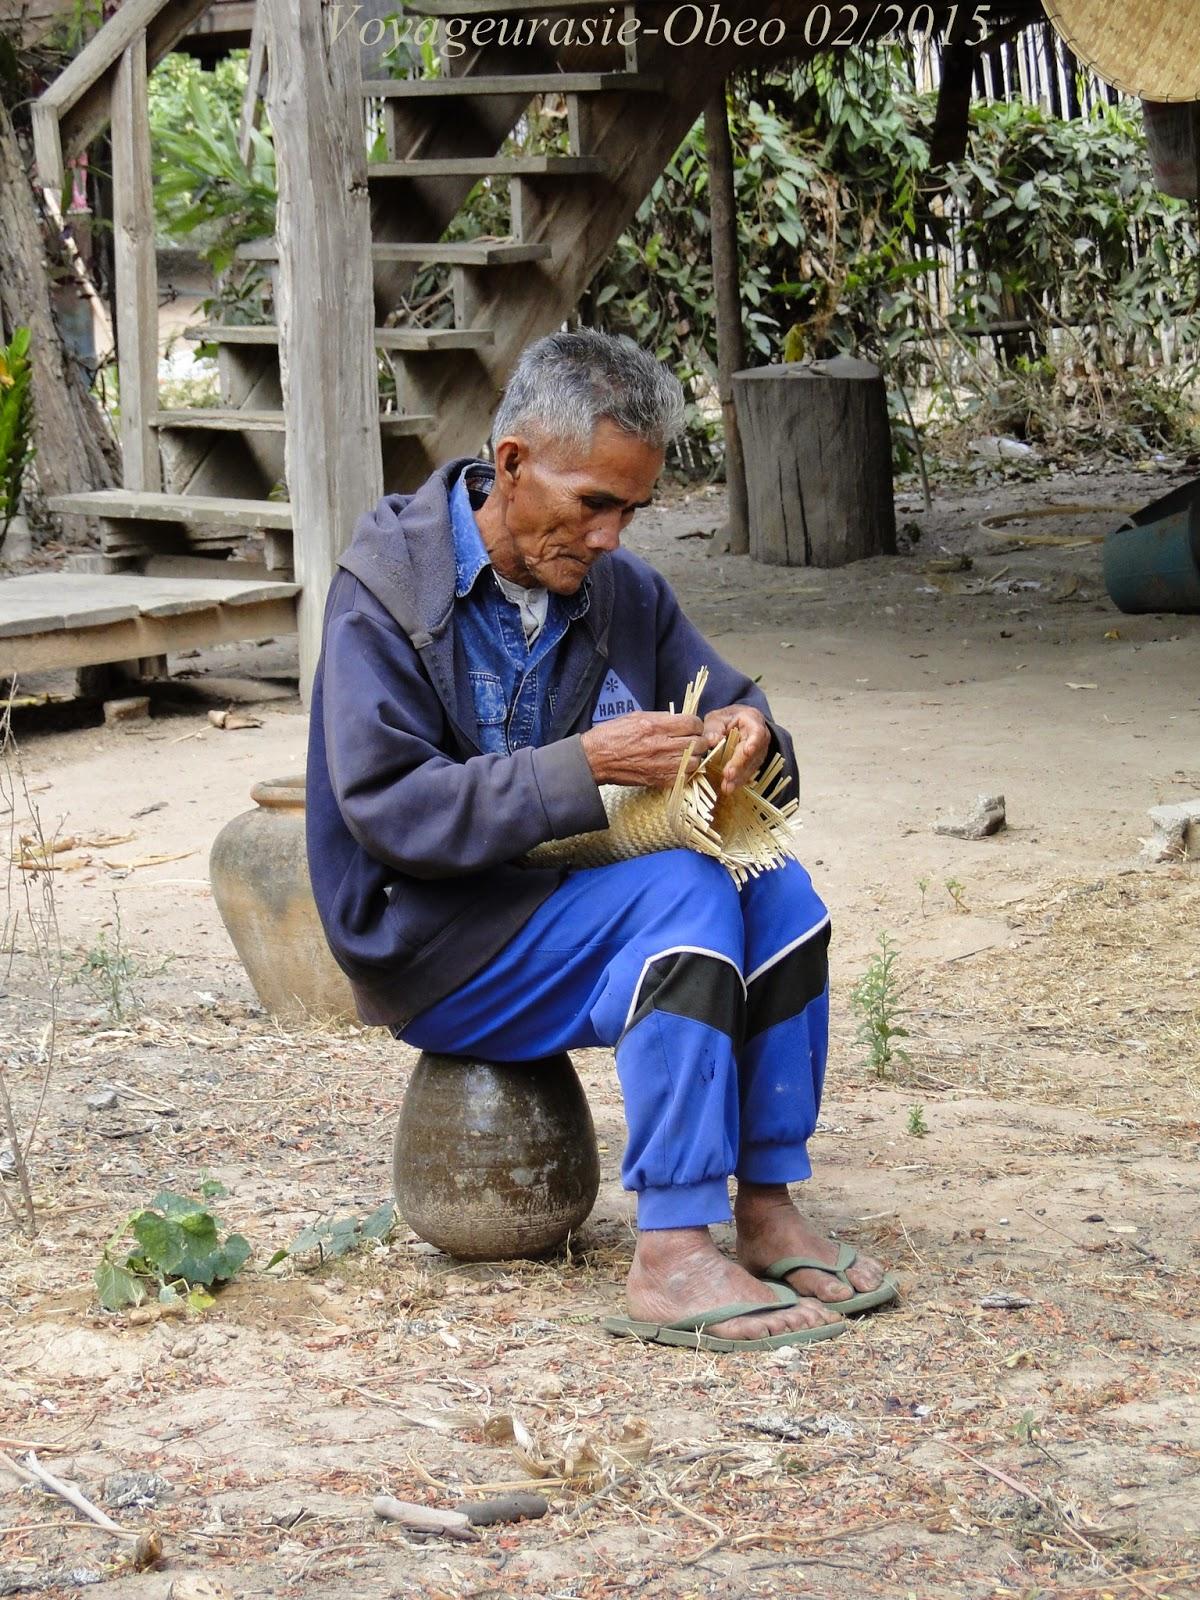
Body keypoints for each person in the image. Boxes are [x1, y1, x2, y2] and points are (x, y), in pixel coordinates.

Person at [306, 328, 896, 1351]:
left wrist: (751, 735)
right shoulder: (387, 595)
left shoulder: (620, 593)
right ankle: (671, 1248)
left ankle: (764, 1205)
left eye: (633, 508)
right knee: (686, 894)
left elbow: (738, 697)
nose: (614, 534)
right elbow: (390, 809)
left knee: (780, 892)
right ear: (513, 466)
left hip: (560, 908)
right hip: (436, 936)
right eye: (595, 503)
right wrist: (586, 766)